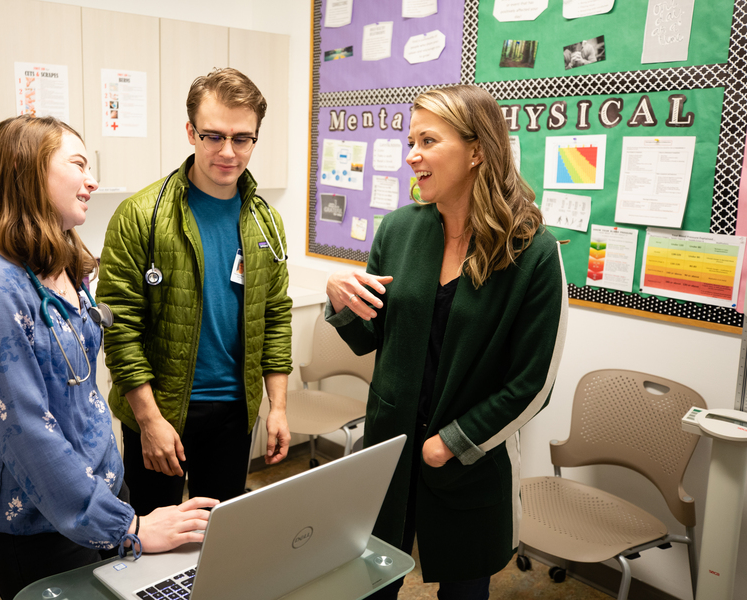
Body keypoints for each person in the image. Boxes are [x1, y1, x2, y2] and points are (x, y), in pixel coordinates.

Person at [0, 115, 217, 600]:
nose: (92, 180)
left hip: (101, 495)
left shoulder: (58, 257)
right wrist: (128, 526)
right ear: (28, 171)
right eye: (79, 164)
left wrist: (118, 512)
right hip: (42, 525)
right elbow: (25, 430)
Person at [325, 85, 568, 599]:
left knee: (463, 588)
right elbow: (370, 337)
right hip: (390, 445)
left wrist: (451, 443)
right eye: (410, 141)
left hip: (465, 456)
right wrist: (340, 298)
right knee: (371, 580)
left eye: (428, 141)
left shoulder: (532, 251)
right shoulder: (398, 230)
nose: (412, 155)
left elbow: (534, 381)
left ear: (477, 149)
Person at [97, 68, 293, 515]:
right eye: (213, 136)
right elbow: (120, 330)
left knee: (218, 539)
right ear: (190, 132)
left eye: (242, 138)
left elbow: (275, 318)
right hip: (161, 410)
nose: (228, 151)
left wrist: (277, 406)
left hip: (234, 413)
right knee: (153, 541)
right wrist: (148, 421)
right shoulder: (140, 217)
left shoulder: (265, 222)